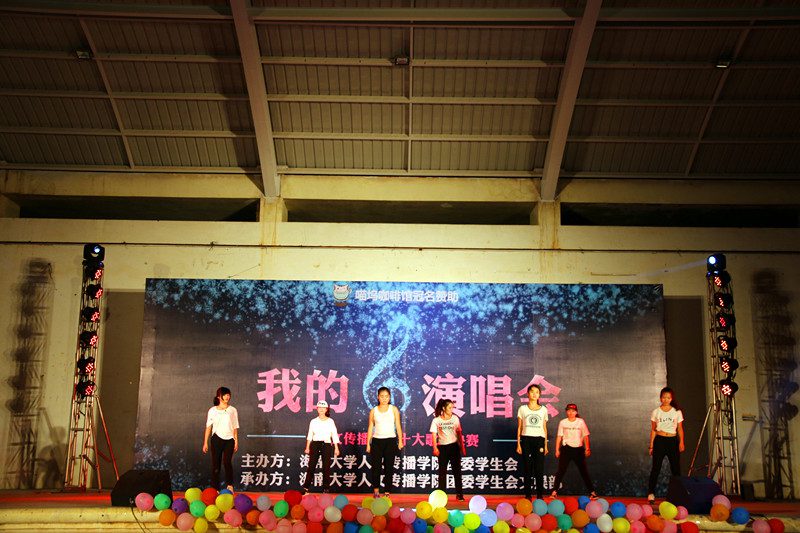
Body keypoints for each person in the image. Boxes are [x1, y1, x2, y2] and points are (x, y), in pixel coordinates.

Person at [647, 387, 685, 504]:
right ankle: (651, 493)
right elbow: (653, 430)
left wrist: (681, 442)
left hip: (672, 441)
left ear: (671, 398)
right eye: (664, 397)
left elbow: (680, 428)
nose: (666, 399)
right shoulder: (656, 412)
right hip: (660, 441)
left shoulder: (677, 412)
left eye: (668, 397)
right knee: (656, 468)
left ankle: (678, 494)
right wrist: (651, 445)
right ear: (660, 398)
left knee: (676, 469)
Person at [551, 403, 597, 499]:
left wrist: (587, 448)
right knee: (561, 471)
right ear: (566, 412)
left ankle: (592, 492)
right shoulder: (563, 422)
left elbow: (585, 436)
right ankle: (554, 491)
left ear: (576, 412)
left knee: (584, 471)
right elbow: (559, 437)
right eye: (569, 411)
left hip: (578, 450)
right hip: (566, 449)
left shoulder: (580, 422)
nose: (571, 413)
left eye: (573, 411)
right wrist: (557, 450)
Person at [366, 387, 405, 498]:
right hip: (377, 442)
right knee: (376, 467)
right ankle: (376, 491)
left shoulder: (393, 409)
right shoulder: (373, 411)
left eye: (386, 396)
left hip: (390, 441)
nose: (384, 398)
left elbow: (398, 425)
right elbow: (370, 427)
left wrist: (400, 440)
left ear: (389, 397)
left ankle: (387, 491)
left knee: (389, 467)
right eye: (382, 396)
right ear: (378, 397)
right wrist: (368, 443)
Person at [202, 386, 239, 491]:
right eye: (225, 395)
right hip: (216, 439)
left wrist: (236, 440)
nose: (227, 397)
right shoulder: (212, 410)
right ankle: (215, 489)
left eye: (228, 395)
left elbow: (235, 426)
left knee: (227, 462)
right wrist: (205, 442)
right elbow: (208, 427)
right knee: (216, 465)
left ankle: (230, 486)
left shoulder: (232, 410)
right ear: (219, 396)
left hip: (230, 440)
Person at [516, 384, 548, 500]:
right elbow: (519, 427)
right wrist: (518, 444)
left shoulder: (544, 409)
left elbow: (544, 428)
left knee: (539, 469)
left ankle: (539, 495)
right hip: (526, 440)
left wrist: (545, 445)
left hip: (539, 440)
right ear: (528, 394)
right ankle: (528, 495)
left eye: (537, 392)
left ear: (539, 395)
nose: (534, 394)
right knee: (527, 468)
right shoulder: (522, 409)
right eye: (532, 392)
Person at [430, 398, 466, 501]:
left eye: (452, 408)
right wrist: (435, 448)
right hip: (442, 448)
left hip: (454, 447)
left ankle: (459, 494)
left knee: (457, 471)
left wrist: (462, 447)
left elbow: (459, 433)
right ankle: (441, 496)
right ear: (443, 408)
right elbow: (434, 435)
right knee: (442, 473)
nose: (451, 410)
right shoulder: (436, 420)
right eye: (449, 408)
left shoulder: (455, 419)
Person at [304, 400, 340, 493]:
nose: (321, 409)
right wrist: (307, 447)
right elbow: (310, 435)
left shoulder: (330, 421)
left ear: (326, 409)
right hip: (315, 444)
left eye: (323, 408)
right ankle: (306, 488)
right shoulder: (313, 421)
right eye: (320, 407)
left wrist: (336, 448)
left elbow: (334, 435)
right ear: (317, 409)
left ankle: (326, 488)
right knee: (311, 466)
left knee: (326, 467)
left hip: (326, 444)